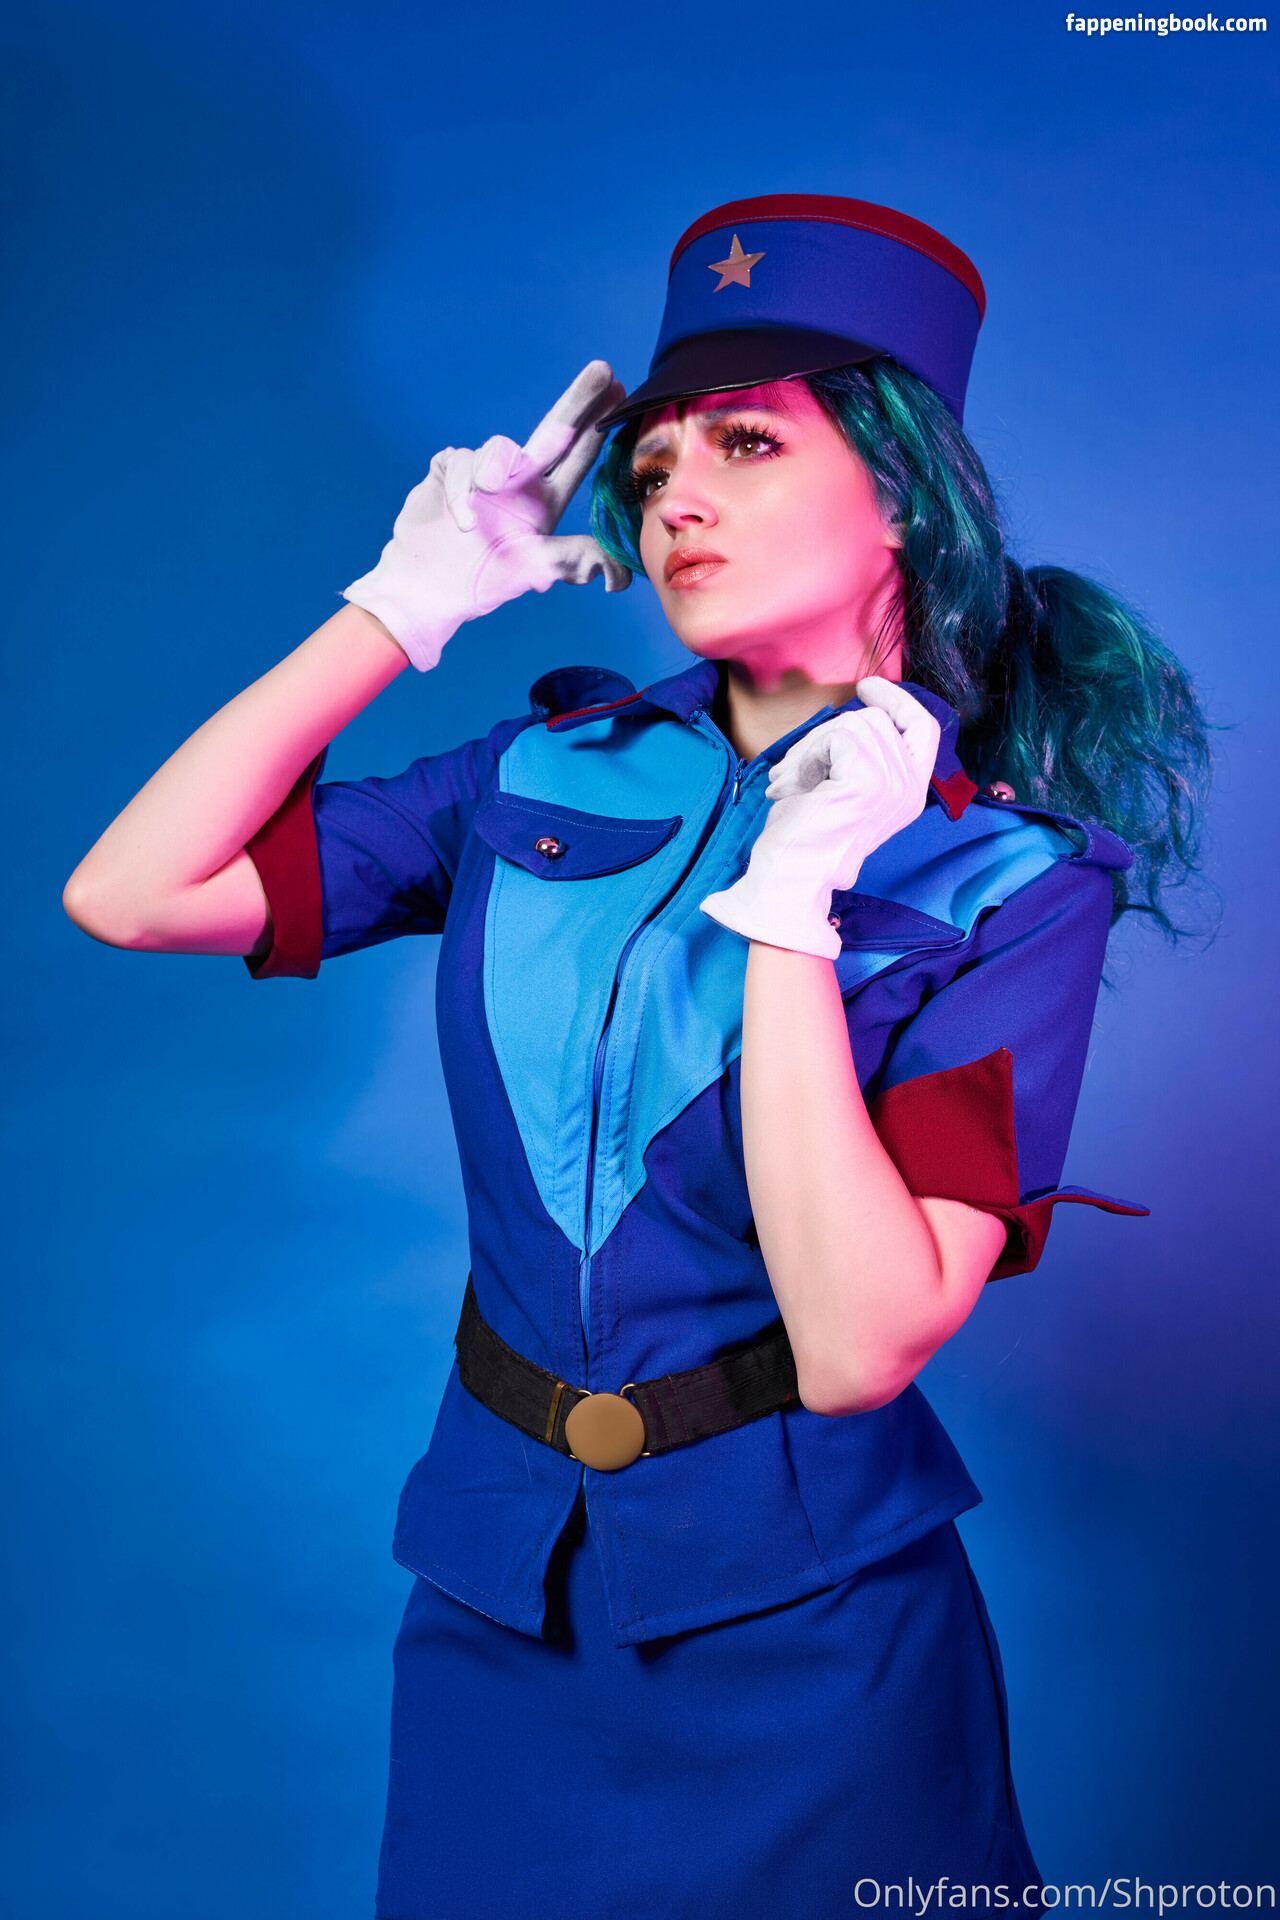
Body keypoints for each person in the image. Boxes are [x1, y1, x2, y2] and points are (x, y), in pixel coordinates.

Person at [63, 195, 1209, 1919]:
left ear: (907, 492)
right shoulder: (541, 773)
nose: (675, 496)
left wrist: (794, 911)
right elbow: (131, 891)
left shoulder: (1013, 881)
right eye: (657, 455)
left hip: (813, 1636)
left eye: (748, 443)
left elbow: (860, 1344)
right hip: (500, 1601)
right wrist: (398, 611)